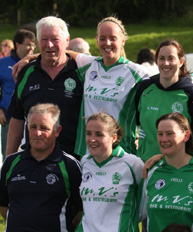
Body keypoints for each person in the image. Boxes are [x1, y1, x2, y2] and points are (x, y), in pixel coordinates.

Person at [0, 103, 82, 232]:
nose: (37, 133)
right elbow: (3, 204)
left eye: (44, 128)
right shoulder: (11, 163)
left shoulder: (70, 166)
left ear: (57, 131)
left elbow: (80, 210)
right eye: (33, 126)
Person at [72, 113, 144, 232]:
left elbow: (143, 207)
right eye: (88, 133)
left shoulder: (132, 164)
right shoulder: (84, 162)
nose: (92, 139)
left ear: (114, 137)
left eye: (99, 134)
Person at [73, 16, 151, 157]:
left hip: (121, 155)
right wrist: (28, 59)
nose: (107, 43)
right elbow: (60, 53)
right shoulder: (88, 65)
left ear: (123, 41)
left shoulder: (137, 73)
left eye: (113, 38)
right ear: (97, 40)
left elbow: (167, 87)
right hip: (86, 154)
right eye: (102, 38)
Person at [7, 16, 83, 158]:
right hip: (33, 162)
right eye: (44, 39)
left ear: (67, 40)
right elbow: (17, 118)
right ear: (37, 42)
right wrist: (8, 160)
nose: (49, 45)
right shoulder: (26, 73)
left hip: (74, 162)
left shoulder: (82, 72)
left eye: (55, 39)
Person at [131, 39, 193, 162]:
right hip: (147, 165)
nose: (166, 63)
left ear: (181, 62)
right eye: (161, 58)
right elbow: (136, 122)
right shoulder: (144, 89)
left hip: (180, 169)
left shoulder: (192, 95)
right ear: (156, 61)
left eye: (171, 58)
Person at [0, 29, 35, 161]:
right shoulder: (3, 63)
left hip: (33, 120)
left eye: (33, 45)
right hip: (9, 119)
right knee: (9, 157)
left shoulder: (36, 63)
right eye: (27, 44)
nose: (31, 48)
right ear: (17, 44)